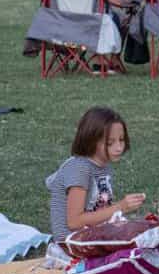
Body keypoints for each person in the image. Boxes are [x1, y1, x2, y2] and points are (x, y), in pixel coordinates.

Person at [45, 106, 144, 262]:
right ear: (90, 140)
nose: (118, 147)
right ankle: (60, 254)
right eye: (110, 142)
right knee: (138, 246)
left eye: (121, 140)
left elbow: (100, 210)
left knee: (145, 232)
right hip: (72, 241)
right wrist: (120, 207)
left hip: (93, 232)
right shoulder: (80, 169)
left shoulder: (103, 167)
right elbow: (74, 222)